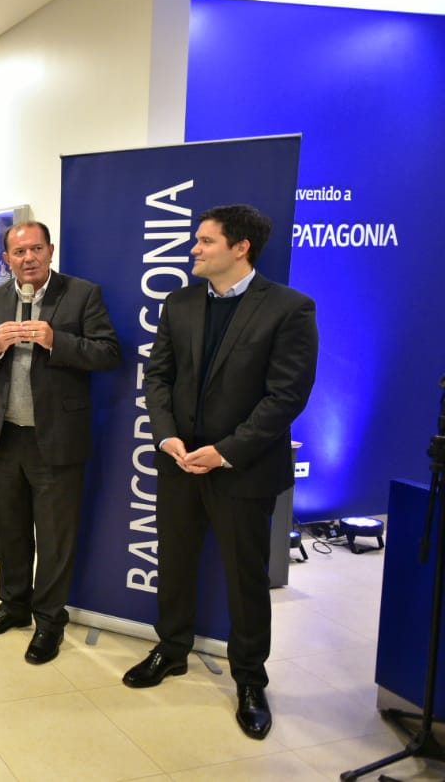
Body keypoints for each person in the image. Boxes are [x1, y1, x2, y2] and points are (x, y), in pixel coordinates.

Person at [124, 204, 318, 741]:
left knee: (245, 579)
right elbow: (158, 376)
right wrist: (166, 436)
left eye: (205, 241)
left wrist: (226, 451)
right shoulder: (180, 302)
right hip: (179, 463)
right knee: (175, 562)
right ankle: (172, 649)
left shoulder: (289, 308)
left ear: (240, 248)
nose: (194, 249)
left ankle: (250, 680)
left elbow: (286, 396)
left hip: (243, 470)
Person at [0, 221, 120, 664]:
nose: (28, 258)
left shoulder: (82, 294)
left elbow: (108, 353)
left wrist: (57, 341)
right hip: (5, 436)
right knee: (8, 530)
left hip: (57, 439)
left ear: (50, 251)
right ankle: (13, 606)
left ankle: (49, 621)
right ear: (6, 260)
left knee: (54, 538)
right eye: (19, 252)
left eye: (36, 249)